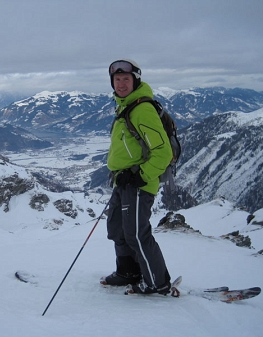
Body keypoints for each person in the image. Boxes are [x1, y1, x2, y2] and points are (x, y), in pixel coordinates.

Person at [102, 59, 173, 295]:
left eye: (126, 79)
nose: (121, 84)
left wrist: (140, 175)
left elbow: (164, 152)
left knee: (136, 234)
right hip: (123, 180)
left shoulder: (142, 109)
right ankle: (128, 272)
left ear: (136, 81)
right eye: (117, 79)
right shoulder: (125, 105)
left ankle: (157, 282)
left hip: (139, 184)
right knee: (116, 229)